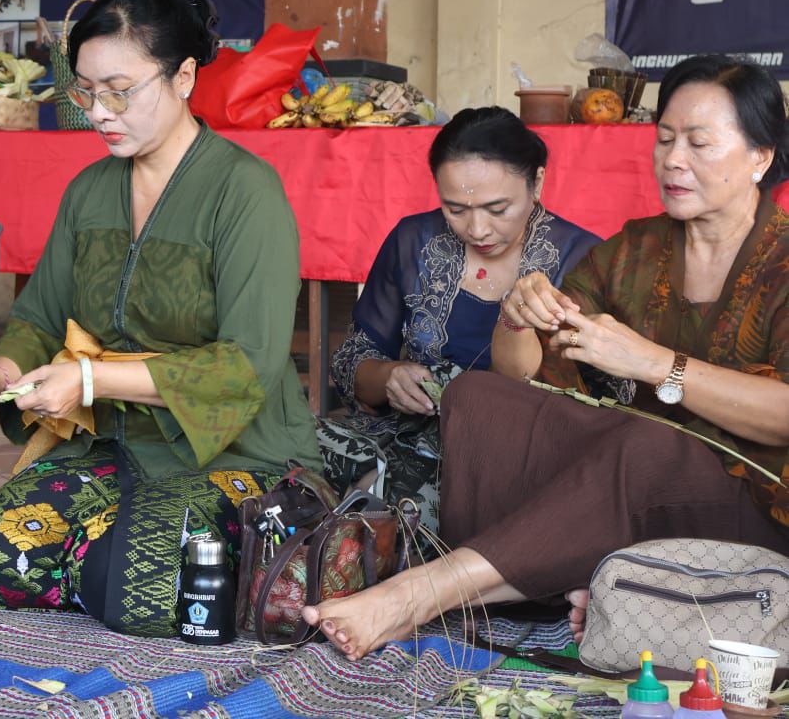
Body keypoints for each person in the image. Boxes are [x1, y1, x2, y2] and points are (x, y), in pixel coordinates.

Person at [305, 55, 789, 660]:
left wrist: (655, 364)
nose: (673, 159)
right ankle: (530, 578)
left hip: (756, 502)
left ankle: (422, 594)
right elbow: (524, 376)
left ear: (760, 157)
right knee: (479, 398)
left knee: (649, 445)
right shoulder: (635, 249)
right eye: (664, 139)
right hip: (631, 476)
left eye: (699, 142)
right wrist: (517, 311)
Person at [0, 0, 321, 637]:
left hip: (237, 454)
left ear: (183, 76)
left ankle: (248, 539)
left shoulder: (244, 191)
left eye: (120, 91)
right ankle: (119, 541)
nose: (99, 111)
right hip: (117, 446)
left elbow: (246, 367)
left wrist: (90, 379)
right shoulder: (89, 191)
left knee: (138, 592)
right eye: (86, 92)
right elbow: (39, 318)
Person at [322, 108, 600, 529]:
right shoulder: (413, 240)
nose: (477, 228)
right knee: (290, 454)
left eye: (497, 208)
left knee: (408, 509)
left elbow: (605, 397)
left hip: (521, 460)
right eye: (455, 209)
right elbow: (352, 362)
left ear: (537, 183)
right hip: (402, 438)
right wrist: (390, 376)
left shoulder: (581, 259)